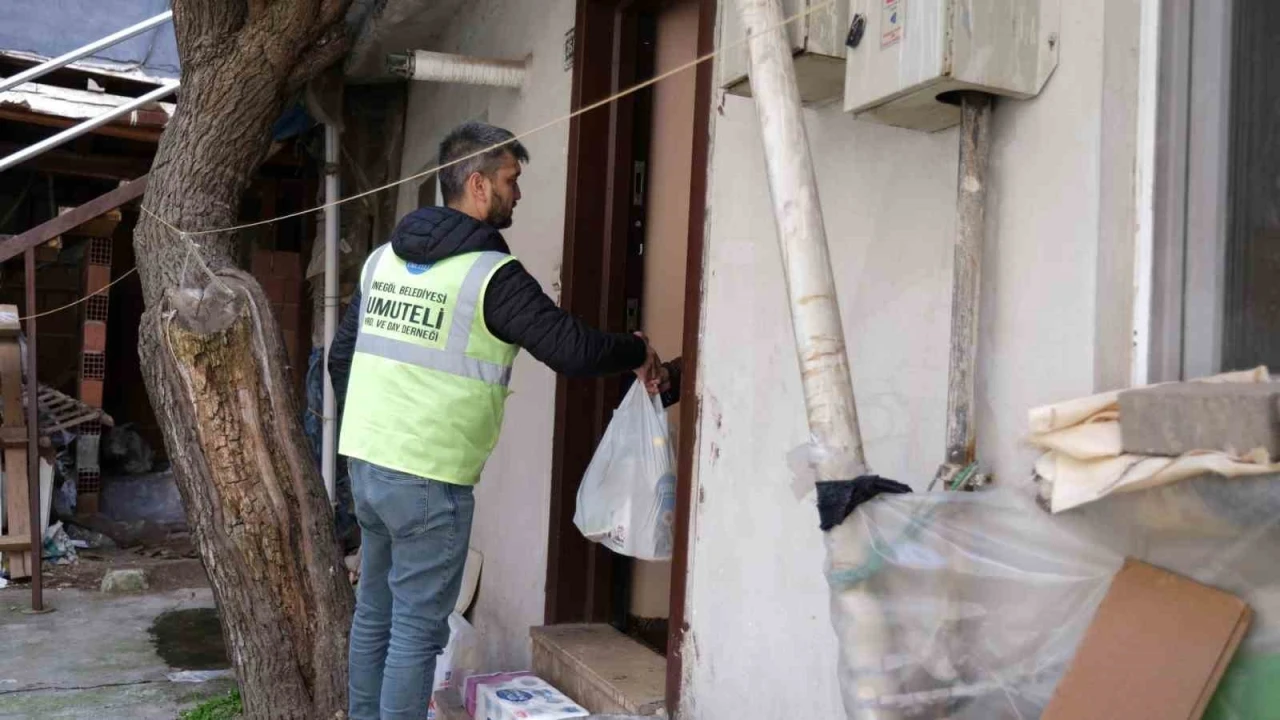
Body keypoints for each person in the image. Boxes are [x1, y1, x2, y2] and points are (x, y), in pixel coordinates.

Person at [328, 121, 662, 720]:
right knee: (414, 631)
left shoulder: (382, 261)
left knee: (374, 613)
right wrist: (635, 351)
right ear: (478, 184)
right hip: (429, 479)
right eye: (512, 179)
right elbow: (570, 349)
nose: (518, 192)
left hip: (369, 468)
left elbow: (340, 357)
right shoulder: (489, 275)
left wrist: (368, 435)